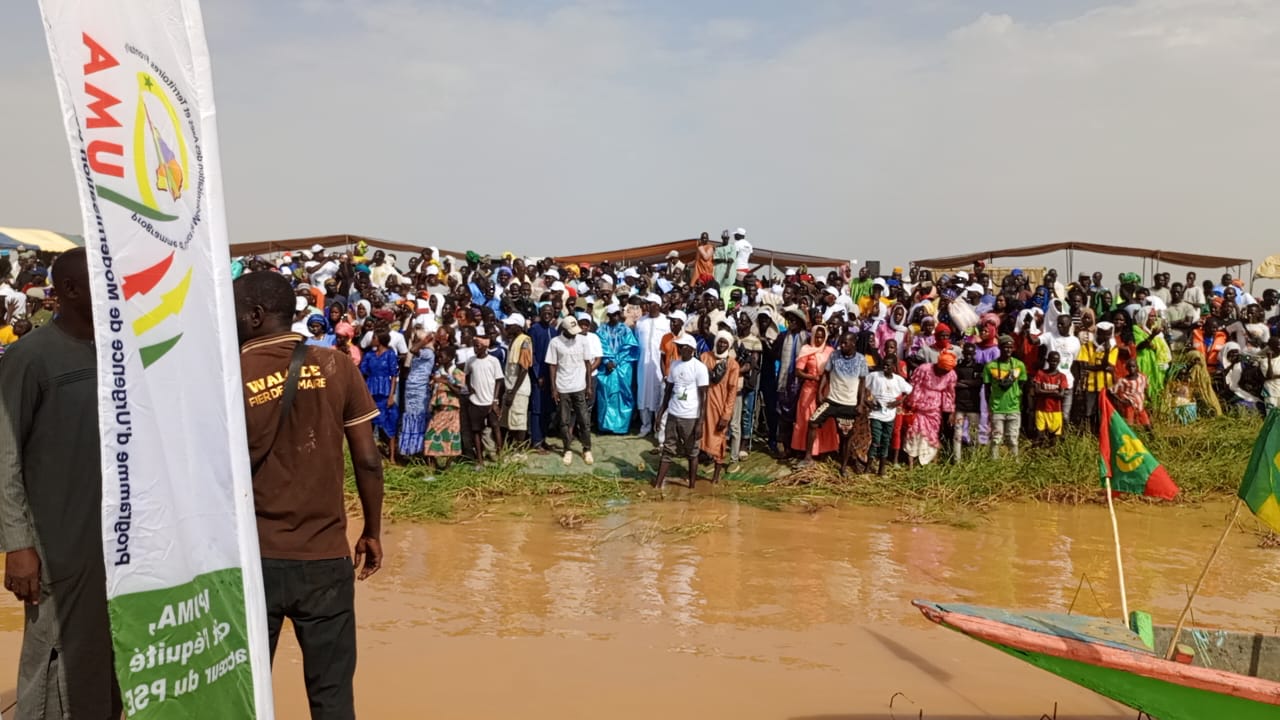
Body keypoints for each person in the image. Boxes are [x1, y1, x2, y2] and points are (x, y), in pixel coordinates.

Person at [234, 270, 384, 718]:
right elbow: (369, 461)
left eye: (235, 311)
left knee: (244, 692)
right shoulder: (338, 366)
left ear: (256, 315)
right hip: (325, 560)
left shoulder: (229, 375)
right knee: (333, 696)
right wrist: (372, 531)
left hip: (253, 559)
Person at [0, 249, 123, 718]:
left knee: (107, 660)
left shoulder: (118, 354)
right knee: (51, 661)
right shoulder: (31, 358)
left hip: (114, 545)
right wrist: (18, 544)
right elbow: (5, 455)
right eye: (101, 280)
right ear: (70, 290)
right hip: (55, 547)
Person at [804, 331, 870, 475]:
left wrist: (860, 403)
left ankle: (843, 467)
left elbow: (862, 382)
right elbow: (826, 375)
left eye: (845, 343)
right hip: (832, 401)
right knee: (813, 422)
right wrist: (820, 392)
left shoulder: (860, 359)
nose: (842, 345)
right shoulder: (834, 355)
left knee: (846, 436)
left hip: (849, 404)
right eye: (841, 342)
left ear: (853, 343)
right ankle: (807, 457)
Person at [655, 335, 709, 488]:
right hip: (673, 413)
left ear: (691, 349)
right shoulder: (674, 365)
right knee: (668, 449)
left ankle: (692, 485)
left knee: (692, 451)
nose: (679, 349)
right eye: (678, 346)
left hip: (690, 416)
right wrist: (661, 413)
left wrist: (700, 422)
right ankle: (658, 484)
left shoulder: (699, 367)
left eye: (683, 346)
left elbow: (704, 397)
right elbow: (669, 391)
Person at [546, 316, 598, 465]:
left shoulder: (582, 341)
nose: (575, 334)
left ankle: (586, 448)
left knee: (584, 420)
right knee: (564, 421)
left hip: (580, 387)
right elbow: (553, 366)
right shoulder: (555, 343)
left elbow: (588, 364)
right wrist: (553, 388)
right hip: (563, 387)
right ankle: (567, 448)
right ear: (563, 329)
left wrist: (588, 386)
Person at [791, 324, 838, 462]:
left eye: (821, 337)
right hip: (809, 388)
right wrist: (812, 377)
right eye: (816, 337)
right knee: (807, 418)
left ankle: (824, 449)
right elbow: (798, 371)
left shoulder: (830, 351)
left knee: (825, 418)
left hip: (825, 389)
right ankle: (805, 449)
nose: (818, 340)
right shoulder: (806, 350)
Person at [700, 331, 740, 483]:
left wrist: (726, 415)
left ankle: (715, 478)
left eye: (725, 343)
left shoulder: (732, 365)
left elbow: (732, 392)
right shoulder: (705, 357)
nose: (722, 345)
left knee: (719, 440)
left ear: (729, 345)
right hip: (703, 406)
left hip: (719, 407)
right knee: (699, 439)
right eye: (720, 341)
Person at [905, 350, 957, 467]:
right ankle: (911, 462)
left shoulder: (951, 374)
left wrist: (949, 412)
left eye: (946, 371)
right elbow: (914, 385)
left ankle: (928, 462)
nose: (944, 373)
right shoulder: (924, 369)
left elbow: (949, 393)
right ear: (938, 365)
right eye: (943, 370)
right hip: (919, 408)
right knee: (914, 433)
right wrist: (912, 403)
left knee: (932, 435)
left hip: (935, 410)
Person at [865, 352, 912, 476]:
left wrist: (899, 401)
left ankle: (882, 469)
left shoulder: (898, 380)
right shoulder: (874, 376)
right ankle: (867, 468)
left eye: (888, 366)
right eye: (884, 365)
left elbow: (909, 389)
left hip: (890, 415)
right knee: (876, 440)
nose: (885, 368)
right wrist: (867, 401)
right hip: (875, 414)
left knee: (886, 441)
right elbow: (862, 386)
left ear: (894, 367)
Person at [596, 303, 639, 434]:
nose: (615, 317)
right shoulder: (601, 330)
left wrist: (615, 361)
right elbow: (600, 346)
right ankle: (605, 426)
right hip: (606, 367)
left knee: (623, 393)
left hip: (623, 367)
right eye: (613, 315)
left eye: (617, 314)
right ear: (608, 315)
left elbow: (629, 347)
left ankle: (621, 427)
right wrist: (606, 360)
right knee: (605, 394)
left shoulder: (626, 330)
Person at [360, 331, 401, 462]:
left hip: (385, 391)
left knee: (389, 422)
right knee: (370, 423)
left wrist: (391, 396)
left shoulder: (390, 354)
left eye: (374, 337)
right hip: (371, 389)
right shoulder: (369, 355)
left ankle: (392, 456)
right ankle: (370, 454)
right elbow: (363, 371)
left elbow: (394, 375)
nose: (372, 339)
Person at [424, 346, 467, 467]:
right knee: (430, 435)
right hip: (439, 409)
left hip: (451, 410)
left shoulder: (457, 373)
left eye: (442, 356)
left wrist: (447, 382)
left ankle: (447, 466)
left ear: (450, 358)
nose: (439, 359)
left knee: (452, 437)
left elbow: (460, 391)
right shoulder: (438, 372)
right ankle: (435, 466)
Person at [984, 335, 1026, 459]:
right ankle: (994, 464)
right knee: (996, 439)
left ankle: (1014, 463)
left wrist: (1017, 400)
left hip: (1013, 407)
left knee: (1013, 439)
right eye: (1005, 347)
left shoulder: (1019, 365)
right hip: (997, 408)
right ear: (999, 348)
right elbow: (987, 389)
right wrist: (990, 406)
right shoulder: (990, 366)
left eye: (1010, 347)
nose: (1008, 350)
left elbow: (1022, 386)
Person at [465, 337, 504, 469]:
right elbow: (467, 375)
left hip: (489, 401)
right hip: (475, 401)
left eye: (478, 346)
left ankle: (500, 456)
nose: (475, 348)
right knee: (476, 430)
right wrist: (470, 389)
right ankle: (480, 460)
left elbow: (499, 380)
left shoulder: (493, 361)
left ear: (485, 347)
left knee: (495, 427)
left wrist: (495, 400)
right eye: (474, 346)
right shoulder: (471, 361)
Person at [397, 328, 436, 458]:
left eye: (415, 339)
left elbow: (413, 350)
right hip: (411, 389)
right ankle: (409, 449)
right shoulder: (421, 352)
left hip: (420, 390)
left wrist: (424, 341)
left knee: (418, 418)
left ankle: (418, 450)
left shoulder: (428, 353)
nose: (413, 341)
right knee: (410, 416)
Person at [634, 295, 670, 436]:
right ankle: (645, 425)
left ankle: (657, 427)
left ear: (658, 305)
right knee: (643, 393)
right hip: (643, 364)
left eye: (651, 303)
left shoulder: (666, 322)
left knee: (658, 394)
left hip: (658, 364)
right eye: (647, 303)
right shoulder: (640, 322)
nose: (648, 306)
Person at [499, 314, 533, 446]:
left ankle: (519, 451)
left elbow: (524, 369)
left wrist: (513, 392)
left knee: (519, 422)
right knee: (509, 421)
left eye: (510, 325)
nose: (507, 327)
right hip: (510, 387)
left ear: (518, 327)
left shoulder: (525, 341)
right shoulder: (513, 340)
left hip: (519, 389)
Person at [951, 341, 984, 461]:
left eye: (971, 354)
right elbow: (954, 383)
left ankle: (974, 459)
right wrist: (970, 384)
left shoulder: (979, 367)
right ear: (963, 353)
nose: (968, 356)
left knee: (974, 435)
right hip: (959, 406)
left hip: (974, 406)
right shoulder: (957, 367)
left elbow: (979, 383)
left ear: (974, 353)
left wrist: (963, 382)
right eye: (966, 353)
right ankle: (956, 460)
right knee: (957, 434)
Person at [1031, 351, 1069, 445]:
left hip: (1056, 410)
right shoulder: (1040, 373)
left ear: (1059, 361)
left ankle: (1053, 457)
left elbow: (1061, 394)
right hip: (1041, 409)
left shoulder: (1062, 376)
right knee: (1039, 437)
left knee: (1054, 439)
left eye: (1056, 361)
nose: (1054, 363)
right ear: (1047, 360)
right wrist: (1054, 392)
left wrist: (1044, 392)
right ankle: (1037, 456)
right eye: (1052, 360)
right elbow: (1037, 391)